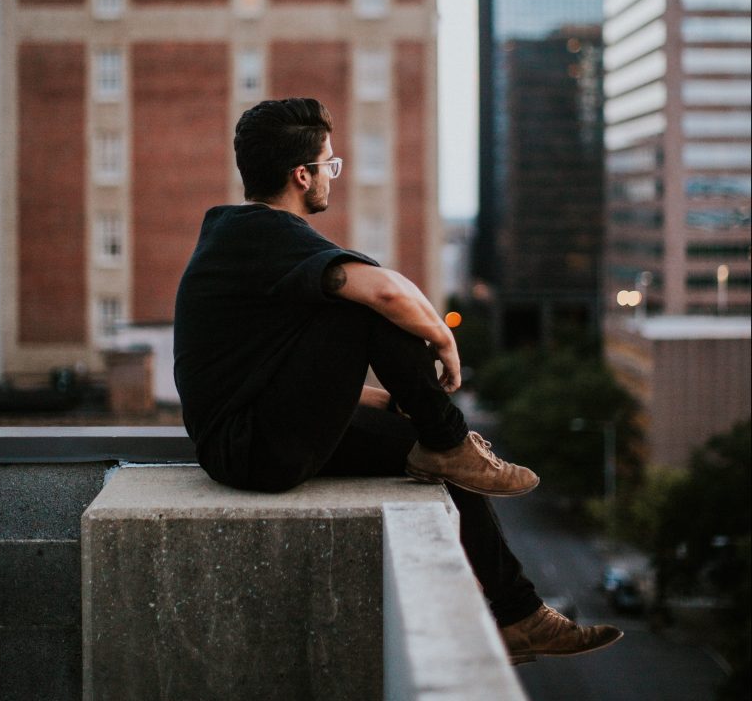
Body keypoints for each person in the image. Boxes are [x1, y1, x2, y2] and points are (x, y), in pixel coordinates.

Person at [173, 97, 622, 665]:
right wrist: (443, 337)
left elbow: (265, 369)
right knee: (361, 306)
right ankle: (452, 439)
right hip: (254, 451)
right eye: (329, 165)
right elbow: (385, 291)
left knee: (436, 461)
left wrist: (385, 402)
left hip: (250, 442)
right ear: (301, 174)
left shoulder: (243, 237)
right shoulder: (266, 234)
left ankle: (519, 615)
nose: (333, 177)